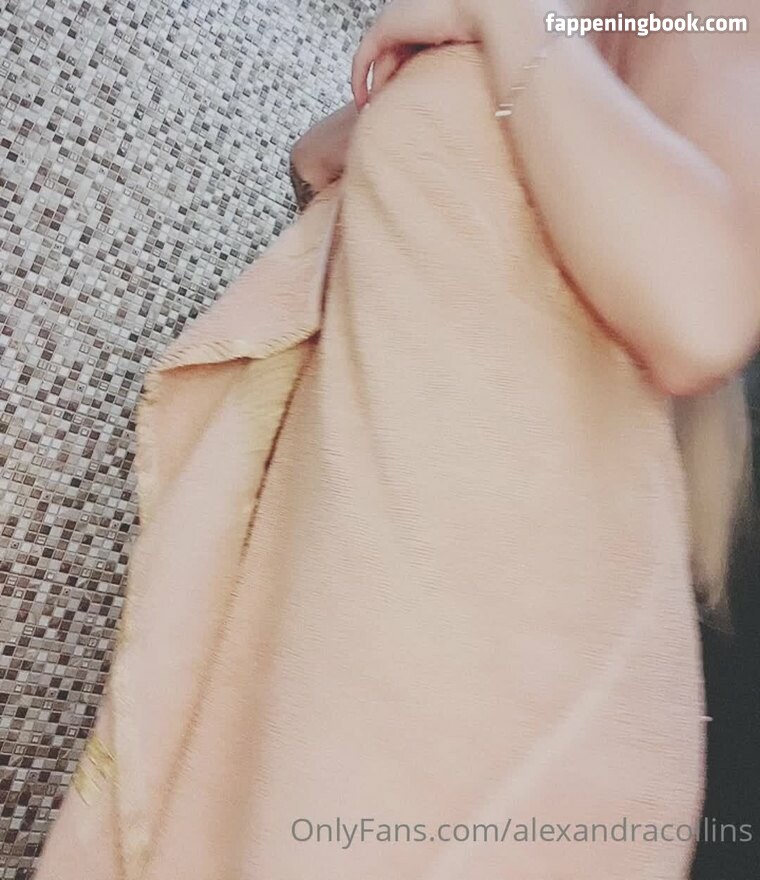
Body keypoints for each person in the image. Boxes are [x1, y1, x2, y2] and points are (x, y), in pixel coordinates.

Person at [36, 0, 759, 878]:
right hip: (353, 615)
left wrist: (505, 21)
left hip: (477, 667)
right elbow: (337, 171)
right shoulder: (563, 46)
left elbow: (701, 313)